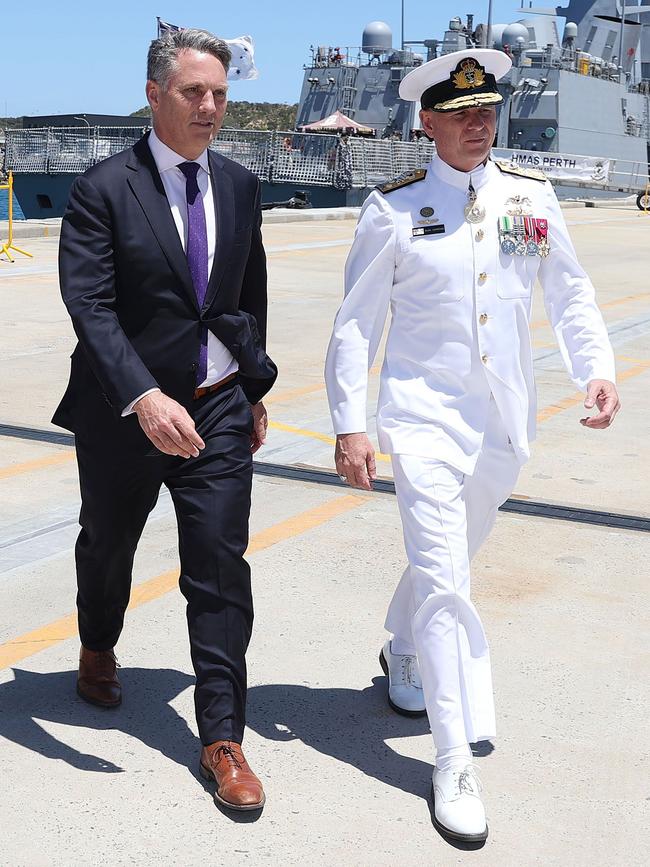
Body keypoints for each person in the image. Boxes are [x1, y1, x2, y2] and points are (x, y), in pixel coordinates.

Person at [324, 48, 619, 842]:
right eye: (458, 115)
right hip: (424, 423)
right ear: (427, 122)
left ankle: (403, 644)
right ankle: (452, 757)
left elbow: (569, 288)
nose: (476, 125)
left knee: (445, 561)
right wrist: (351, 422)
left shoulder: (531, 198)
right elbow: (356, 326)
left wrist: (594, 368)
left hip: (502, 428)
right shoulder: (393, 208)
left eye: (485, 112)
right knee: (449, 581)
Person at [53, 28, 277, 812]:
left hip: (214, 409)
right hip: (125, 414)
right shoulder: (103, 188)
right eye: (194, 93)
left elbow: (247, 292)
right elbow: (91, 305)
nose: (211, 107)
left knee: (219, 566)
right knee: (107, 542)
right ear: (155, 96)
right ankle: (98, 642)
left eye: (220, 94)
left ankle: (223, 736)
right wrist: (143, 396)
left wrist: (250, 386)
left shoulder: (242, 185)